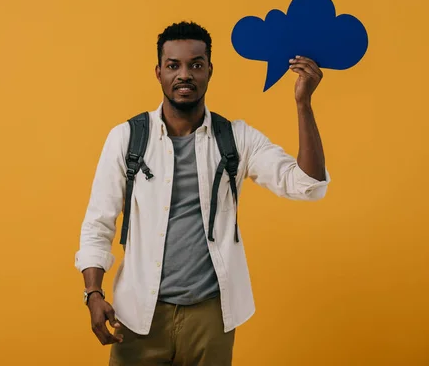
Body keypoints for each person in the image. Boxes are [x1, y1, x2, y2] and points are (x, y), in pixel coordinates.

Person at [74, 21, 330, 366]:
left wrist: (304, 104)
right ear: (158, 72)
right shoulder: (126, 138)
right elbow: (98, 222)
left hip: (210, 315)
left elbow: (307, 186)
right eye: (173, 65)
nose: (185, 75)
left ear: (209, 70)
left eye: (196, 64)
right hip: (138, 313)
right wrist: (93, 293)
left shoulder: (235, 138)